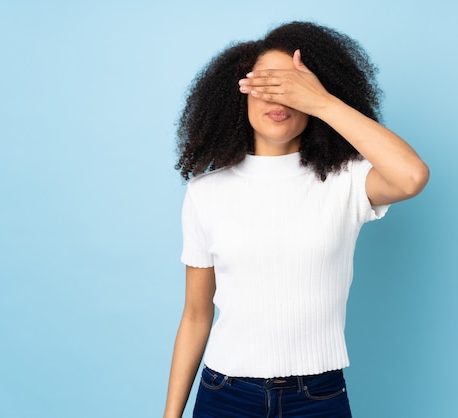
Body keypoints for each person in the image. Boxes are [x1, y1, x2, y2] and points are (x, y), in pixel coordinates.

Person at [163, 21, 429, 418]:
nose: (280, 97)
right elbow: (196, 314)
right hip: (225, 396)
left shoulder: (346, 181)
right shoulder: (205, 193)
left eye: (293, 85)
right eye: (266, 83)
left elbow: (411, 177)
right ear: (238, 92)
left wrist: (322, 102)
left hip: (318, 398)